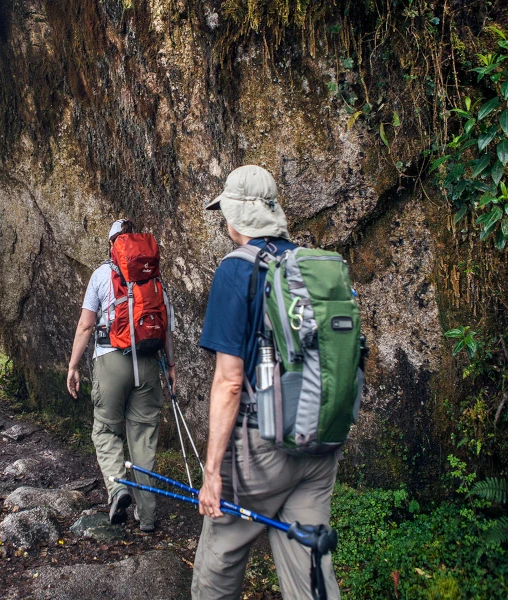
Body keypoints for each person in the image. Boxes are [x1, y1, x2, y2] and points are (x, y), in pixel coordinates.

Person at [192, 165, 341, 599]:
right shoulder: (311, 266)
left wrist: (213, 472)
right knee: (309, 569)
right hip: (319, 442)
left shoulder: (237, 271)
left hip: (261, 450)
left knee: (218, 558)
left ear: (235, 215)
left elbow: (230, 382)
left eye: (225, 211)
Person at [66, 219, 175, 533]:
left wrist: (73, 366)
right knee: (143, 439)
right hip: (149, 363)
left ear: (112, 244)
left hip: (110, 360)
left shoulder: (102, 274)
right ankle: (148, 516)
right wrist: (171, 367)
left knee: (106, 431)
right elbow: (164, 326)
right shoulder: (154, 277)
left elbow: (86, 326)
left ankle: (118, 490)